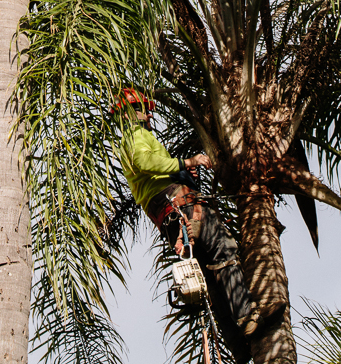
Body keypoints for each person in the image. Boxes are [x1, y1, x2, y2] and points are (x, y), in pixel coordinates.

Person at [113, 89, 284, 344]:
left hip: (171, 217)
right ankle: (247, 317)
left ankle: (236, 343)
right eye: (143, 109)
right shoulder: (136, 137)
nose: (149, 114)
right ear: (131, 112)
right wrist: (188, 162)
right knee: (223, 249)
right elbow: (145, 161)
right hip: (181, 206)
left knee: (209, 273)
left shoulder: (133, 139)